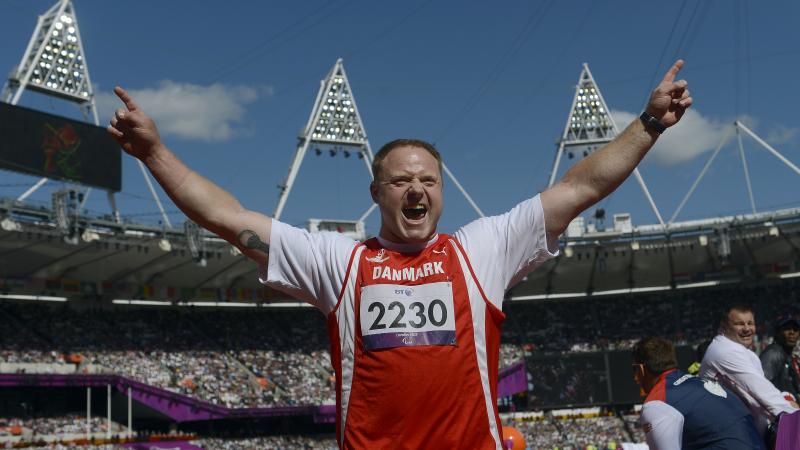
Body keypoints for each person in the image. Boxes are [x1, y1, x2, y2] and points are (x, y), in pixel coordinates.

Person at [108, 61, 692, 449]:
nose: (417, 189)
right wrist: (155, 153)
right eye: (401, 180)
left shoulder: (481, 250)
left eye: (429, 180)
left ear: (441, 189)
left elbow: (579, 188)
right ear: (376, 193)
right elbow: (231, 221)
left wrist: (646, 125)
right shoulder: (339, 260)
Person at [634, 337, 765, 450]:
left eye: (635, 370)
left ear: (641, 369)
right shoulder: (700, 383)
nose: (635, 378)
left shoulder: (658, 401)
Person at [700, 304, 799, 438]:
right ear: (724, 326)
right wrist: (792, 412)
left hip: (747, 432)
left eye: (750, 323)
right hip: (734, 436)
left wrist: (786, 398)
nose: (747, 329)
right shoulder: (725, 351)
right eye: (739, 324)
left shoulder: (738, 349)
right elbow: (761, 390)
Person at [760, 315, 800, 400]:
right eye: (787, 329)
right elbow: (762, 387)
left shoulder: (789, 355)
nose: (792, 332)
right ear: (777, 332)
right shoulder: (773, 353)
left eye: (795, 329)